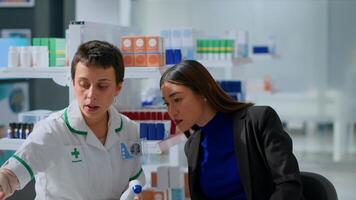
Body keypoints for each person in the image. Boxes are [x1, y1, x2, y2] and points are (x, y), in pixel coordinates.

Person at [0, 40, 145, 200]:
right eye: (84, 84)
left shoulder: (129, 130)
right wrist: (3, 183)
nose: (91, 95)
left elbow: (134, 180)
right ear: (73, 83)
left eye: (102, 86)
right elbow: (11, 174)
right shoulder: (52, 129)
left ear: (118, 88)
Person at [160, 60, 304, 200]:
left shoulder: (258, 121)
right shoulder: (193, 146)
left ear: (203, 92)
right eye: (167, 103)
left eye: (177, 100)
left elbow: (288, 185)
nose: (172, 111)